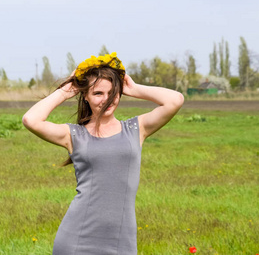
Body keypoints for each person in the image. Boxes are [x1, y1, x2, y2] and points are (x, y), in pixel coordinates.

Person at [22, 52, 184, 255]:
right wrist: (66, 91)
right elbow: (31, 120)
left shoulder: (136, 129)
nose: (106, 100)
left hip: (121, 242)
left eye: (112, 93)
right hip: (77, 240)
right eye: (98, 93)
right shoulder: (74, 135)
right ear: (85, 96)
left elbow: (175, 100)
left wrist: (133, 88)